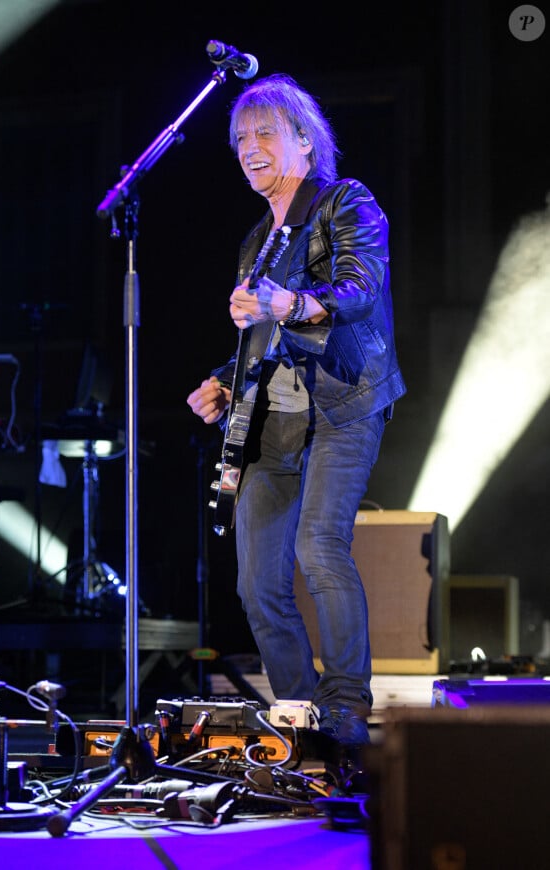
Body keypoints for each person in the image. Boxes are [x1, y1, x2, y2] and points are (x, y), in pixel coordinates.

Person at [187, 73, 406, 752]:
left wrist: (292, 303)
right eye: (238, 140)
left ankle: (347, 710)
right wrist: (224, 381)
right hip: (272, 418)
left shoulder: (347, 203)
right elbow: (260, 339)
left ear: (304, 141)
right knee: (255, 580)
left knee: (319, 546)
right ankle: (303, 712)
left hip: (344, 404)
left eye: (263, 133)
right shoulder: (258, 241)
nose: (248, 148)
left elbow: (360, 291)